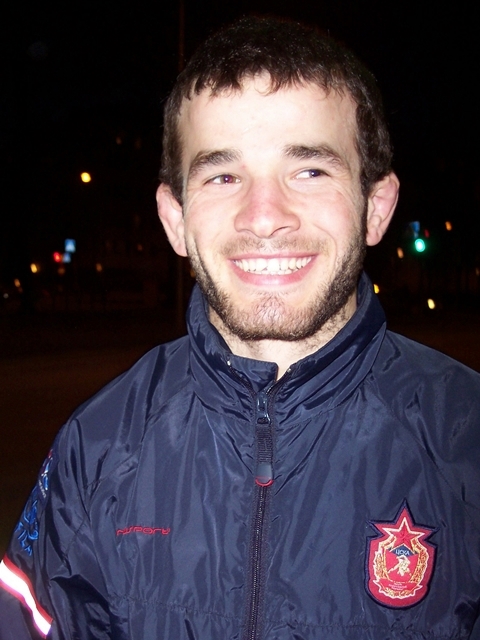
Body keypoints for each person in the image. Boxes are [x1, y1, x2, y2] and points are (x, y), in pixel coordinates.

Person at [1, 15, 479, 640]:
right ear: (175, 219)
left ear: (376, 207)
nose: (264, 216)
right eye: (223, 176)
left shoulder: (465, 436)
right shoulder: (96, 445)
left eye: (309, 170)